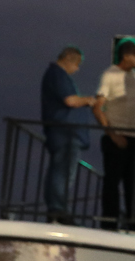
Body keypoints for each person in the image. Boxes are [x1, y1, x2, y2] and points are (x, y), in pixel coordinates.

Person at [92, 41, 135, 230]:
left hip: (132, 136)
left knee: (133, 184)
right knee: (112, 183)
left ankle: (134, 224)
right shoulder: (110, 75)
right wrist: (112, 134)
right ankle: (109, 223)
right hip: (116, 135)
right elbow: (98, 107)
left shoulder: (133, 76)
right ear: (126, 56)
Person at [41, 46, 97, 222]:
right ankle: (58, 209)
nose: (77, 69)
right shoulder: (58, 75)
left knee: (60, 170)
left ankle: (57, 207)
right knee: (63, 170)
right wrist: (89, 100)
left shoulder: (54, 75)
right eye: (77, 64)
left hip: (62, 131)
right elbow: (71, 100)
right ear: (70, 60)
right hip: (65, 132)